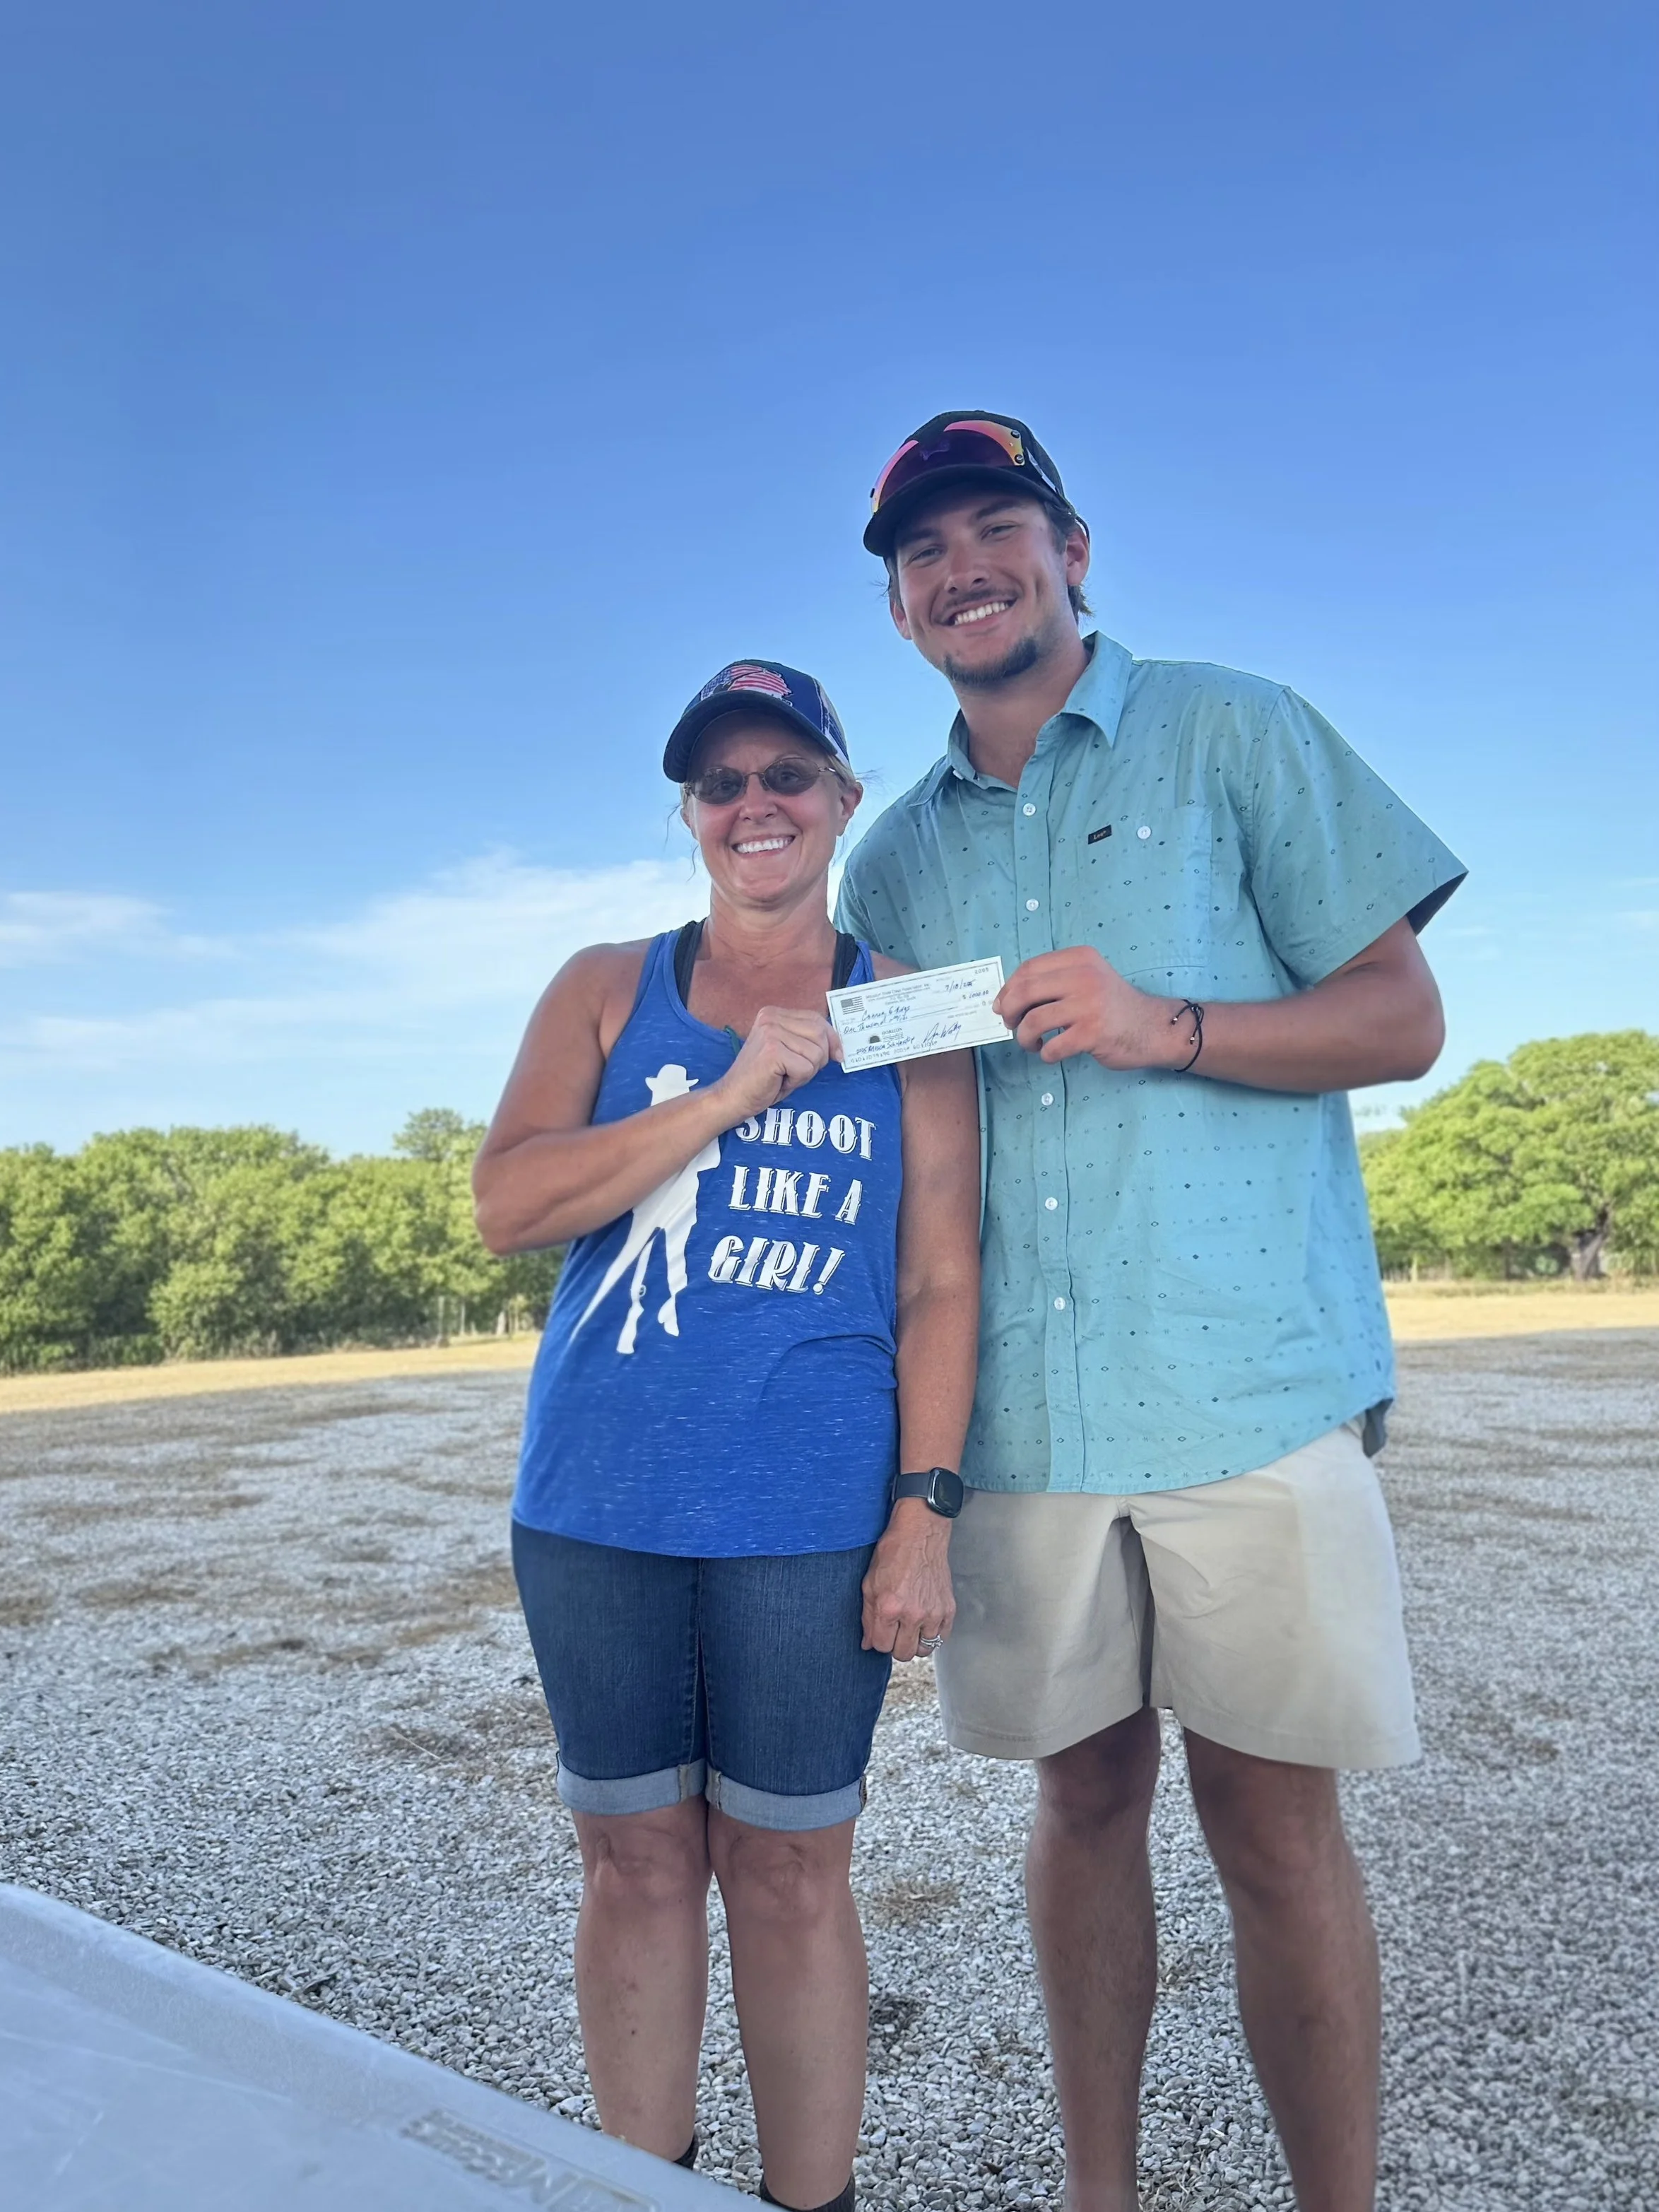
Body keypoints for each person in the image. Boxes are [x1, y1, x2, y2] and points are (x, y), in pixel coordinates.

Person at [836, 413, 1467, 2212]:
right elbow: (897, 1147)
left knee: (1275, 1827)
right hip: (1022, 1419)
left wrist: (1164, 1022)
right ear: (897, 605)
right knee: (1080, 1804)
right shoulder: (889, 864)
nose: (962, 566)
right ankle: (1096, 2193)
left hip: (1244, 1384)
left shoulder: (1233, 727)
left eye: (995, 525)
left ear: (1074, 550)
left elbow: (1402, 1018)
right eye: (922, 548)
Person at [474, 659, 980, 2212]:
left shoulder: (908, 1010)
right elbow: (509, 1203)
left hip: (808, 1514)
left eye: (786, 774)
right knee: (633, 1859)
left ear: (843, 795)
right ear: (691, 814)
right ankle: (652, 2186)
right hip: (597, 1503)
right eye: (721, 782)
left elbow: (941, 1278)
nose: (755, 803)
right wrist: (729, 1086)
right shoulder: (605, 985)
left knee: (791, 1868)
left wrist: (924, 1510)